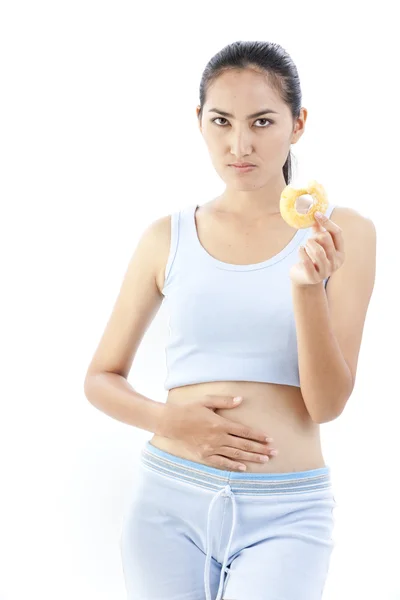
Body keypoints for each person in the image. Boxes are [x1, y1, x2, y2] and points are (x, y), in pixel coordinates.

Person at [84, 40, 376, 600]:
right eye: (221, 121)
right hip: (169, 501)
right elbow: (101, 378)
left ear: (298, 124)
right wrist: (172, 421)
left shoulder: (345, 235)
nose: (239, 144)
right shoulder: (165, 237)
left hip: (287, 512)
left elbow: (328, 405)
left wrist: (307, 287)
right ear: (200, 122)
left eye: (263, 121)